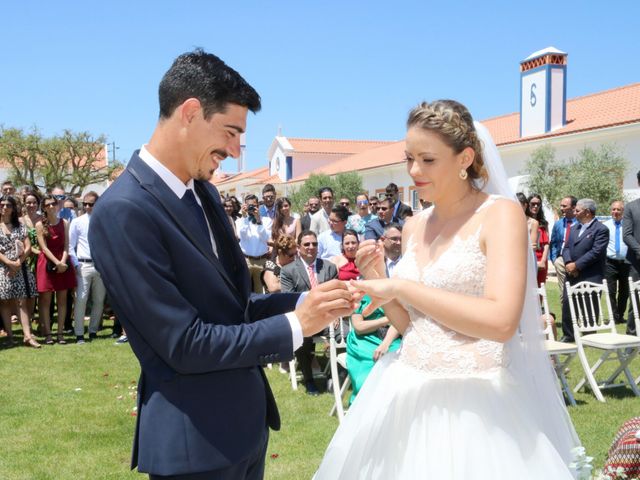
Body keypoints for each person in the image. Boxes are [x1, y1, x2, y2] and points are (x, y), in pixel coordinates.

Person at [88, 50, 354, 479]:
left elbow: (233, 308)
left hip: (244, 433)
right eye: (230, 132)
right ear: (190, 112)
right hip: (193, 448)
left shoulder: (205, 193)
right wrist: (295, 326)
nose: (234, 150)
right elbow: (183, 343)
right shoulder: (124, 212)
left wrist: (309, 301)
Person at [315, 100, 580, 479]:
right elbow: (413, 327)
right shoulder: (413, 226)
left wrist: (402, 285)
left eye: (427, 160)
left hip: (477, 405)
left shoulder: (500, 214)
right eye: (409, 158)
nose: (413, 170)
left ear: (464, 158)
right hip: (404, 390)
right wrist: (385, 288)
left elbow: (502, 321)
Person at [280, 230, 338, 395]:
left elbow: (335, 294)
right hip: (305, 317)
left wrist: (333, 314)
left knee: (346, 332)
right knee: (302, 337)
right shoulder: (288, 270)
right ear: (299, 247)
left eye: (314, 244)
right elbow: (289, 300)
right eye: (307, 244)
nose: (311, 247)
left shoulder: (329, 267)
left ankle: (335, 375)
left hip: (328, 317)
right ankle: (309, 380)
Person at [561, 198, 609, 342]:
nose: (574, 212)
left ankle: (589, 337)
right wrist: (569, 263)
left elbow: (596, 252)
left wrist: (577, 265)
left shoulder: (601, 229)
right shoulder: (574, 227)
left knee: (589, 307)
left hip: (590, 275)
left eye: (577, 210)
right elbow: (567, 247)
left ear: (587, 212)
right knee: (568, 305)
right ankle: (569, 335)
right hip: (572, 274)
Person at [36, 194, 76, 345]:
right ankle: (48, 334)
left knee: (62, 300)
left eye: (53, 203)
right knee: (45, 301)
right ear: (44, 208)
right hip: (46, 263)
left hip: (63, 262)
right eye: (48, 205)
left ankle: (60, 334)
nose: (51, 206)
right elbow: (43, 248)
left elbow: (67, 245)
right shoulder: (40, 225)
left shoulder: (65, 222)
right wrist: (57, 263)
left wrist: (63, 262)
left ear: (58, 205)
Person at [0, 195, 40, 348]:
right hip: (3, 268)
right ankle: (10, 336)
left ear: (13, 207)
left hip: (20, 266)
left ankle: (28, 336)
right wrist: (9, 263)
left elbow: (28, 246)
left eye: (8, 205)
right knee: (5, 301)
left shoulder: (20, 225)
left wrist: (18, 262)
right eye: (2, 205)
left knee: (21, 301)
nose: (5, 208)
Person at [346, 296, 401, 403]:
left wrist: (386, 343)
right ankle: (364, 406)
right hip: (364, 338)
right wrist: (388, 319)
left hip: (393, 337)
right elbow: (359, 327)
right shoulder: (360, 294)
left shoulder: (395, 291)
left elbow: (399, 322)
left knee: (399, 364)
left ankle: (392, 407)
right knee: (370, 369)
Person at [69, 191, 106, 344]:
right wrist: (76, 264)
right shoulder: (77, 222)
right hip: (83, 264)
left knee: (99, 300)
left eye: (90, 204)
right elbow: (70, 246)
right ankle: (79, 334)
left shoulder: (104, 221)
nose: (87, 207)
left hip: (100, 266)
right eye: (84, 204)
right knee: (81, 300)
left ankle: (92, 331)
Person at [236, 194, 273, 294]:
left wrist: (258, 220)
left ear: (258, 206)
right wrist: (244, 217)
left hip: (262, 260)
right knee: (244, 290)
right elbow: (242, 236)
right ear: (245, 206)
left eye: (254, 205)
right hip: (246, 260)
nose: (252, 208)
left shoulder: (267, 221)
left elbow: (266, 238)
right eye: (249, 206)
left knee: (261, 292)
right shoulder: (240, 221)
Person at [604, 200, 630, 325]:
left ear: (623, 211)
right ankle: (613, 316)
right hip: (610, 262)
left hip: (626, 262)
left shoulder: (629, 225)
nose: (615, 212)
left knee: (625, 291)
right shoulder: (606, 225)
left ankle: (620, 315)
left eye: (618, 209)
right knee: (610, 291)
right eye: (613, 209)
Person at [550, 196, 578, 304]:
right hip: (560, 260)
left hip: (576, 261)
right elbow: (553, 242)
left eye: (564, 206)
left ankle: (578, 317)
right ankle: (566, 319)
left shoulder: (580, 223)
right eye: (561, 205)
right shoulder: (558, 224)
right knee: (563, 291)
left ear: (573, 207)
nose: (561, 208)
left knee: (575, 289)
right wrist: (554, 260)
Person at [623, 170, 640, 336]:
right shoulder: (631, 207)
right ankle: (632, 336)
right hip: (636, 262)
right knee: (635, 300)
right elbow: (626, 235)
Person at [529, 193, 550, 286]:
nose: (535, 206)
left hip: (541, 258)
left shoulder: (544, 223)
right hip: (529, 258)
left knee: (540, 288)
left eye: (538, 204)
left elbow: (547, 244)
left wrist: (543, 260)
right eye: (533, 204)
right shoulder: (523, 220)